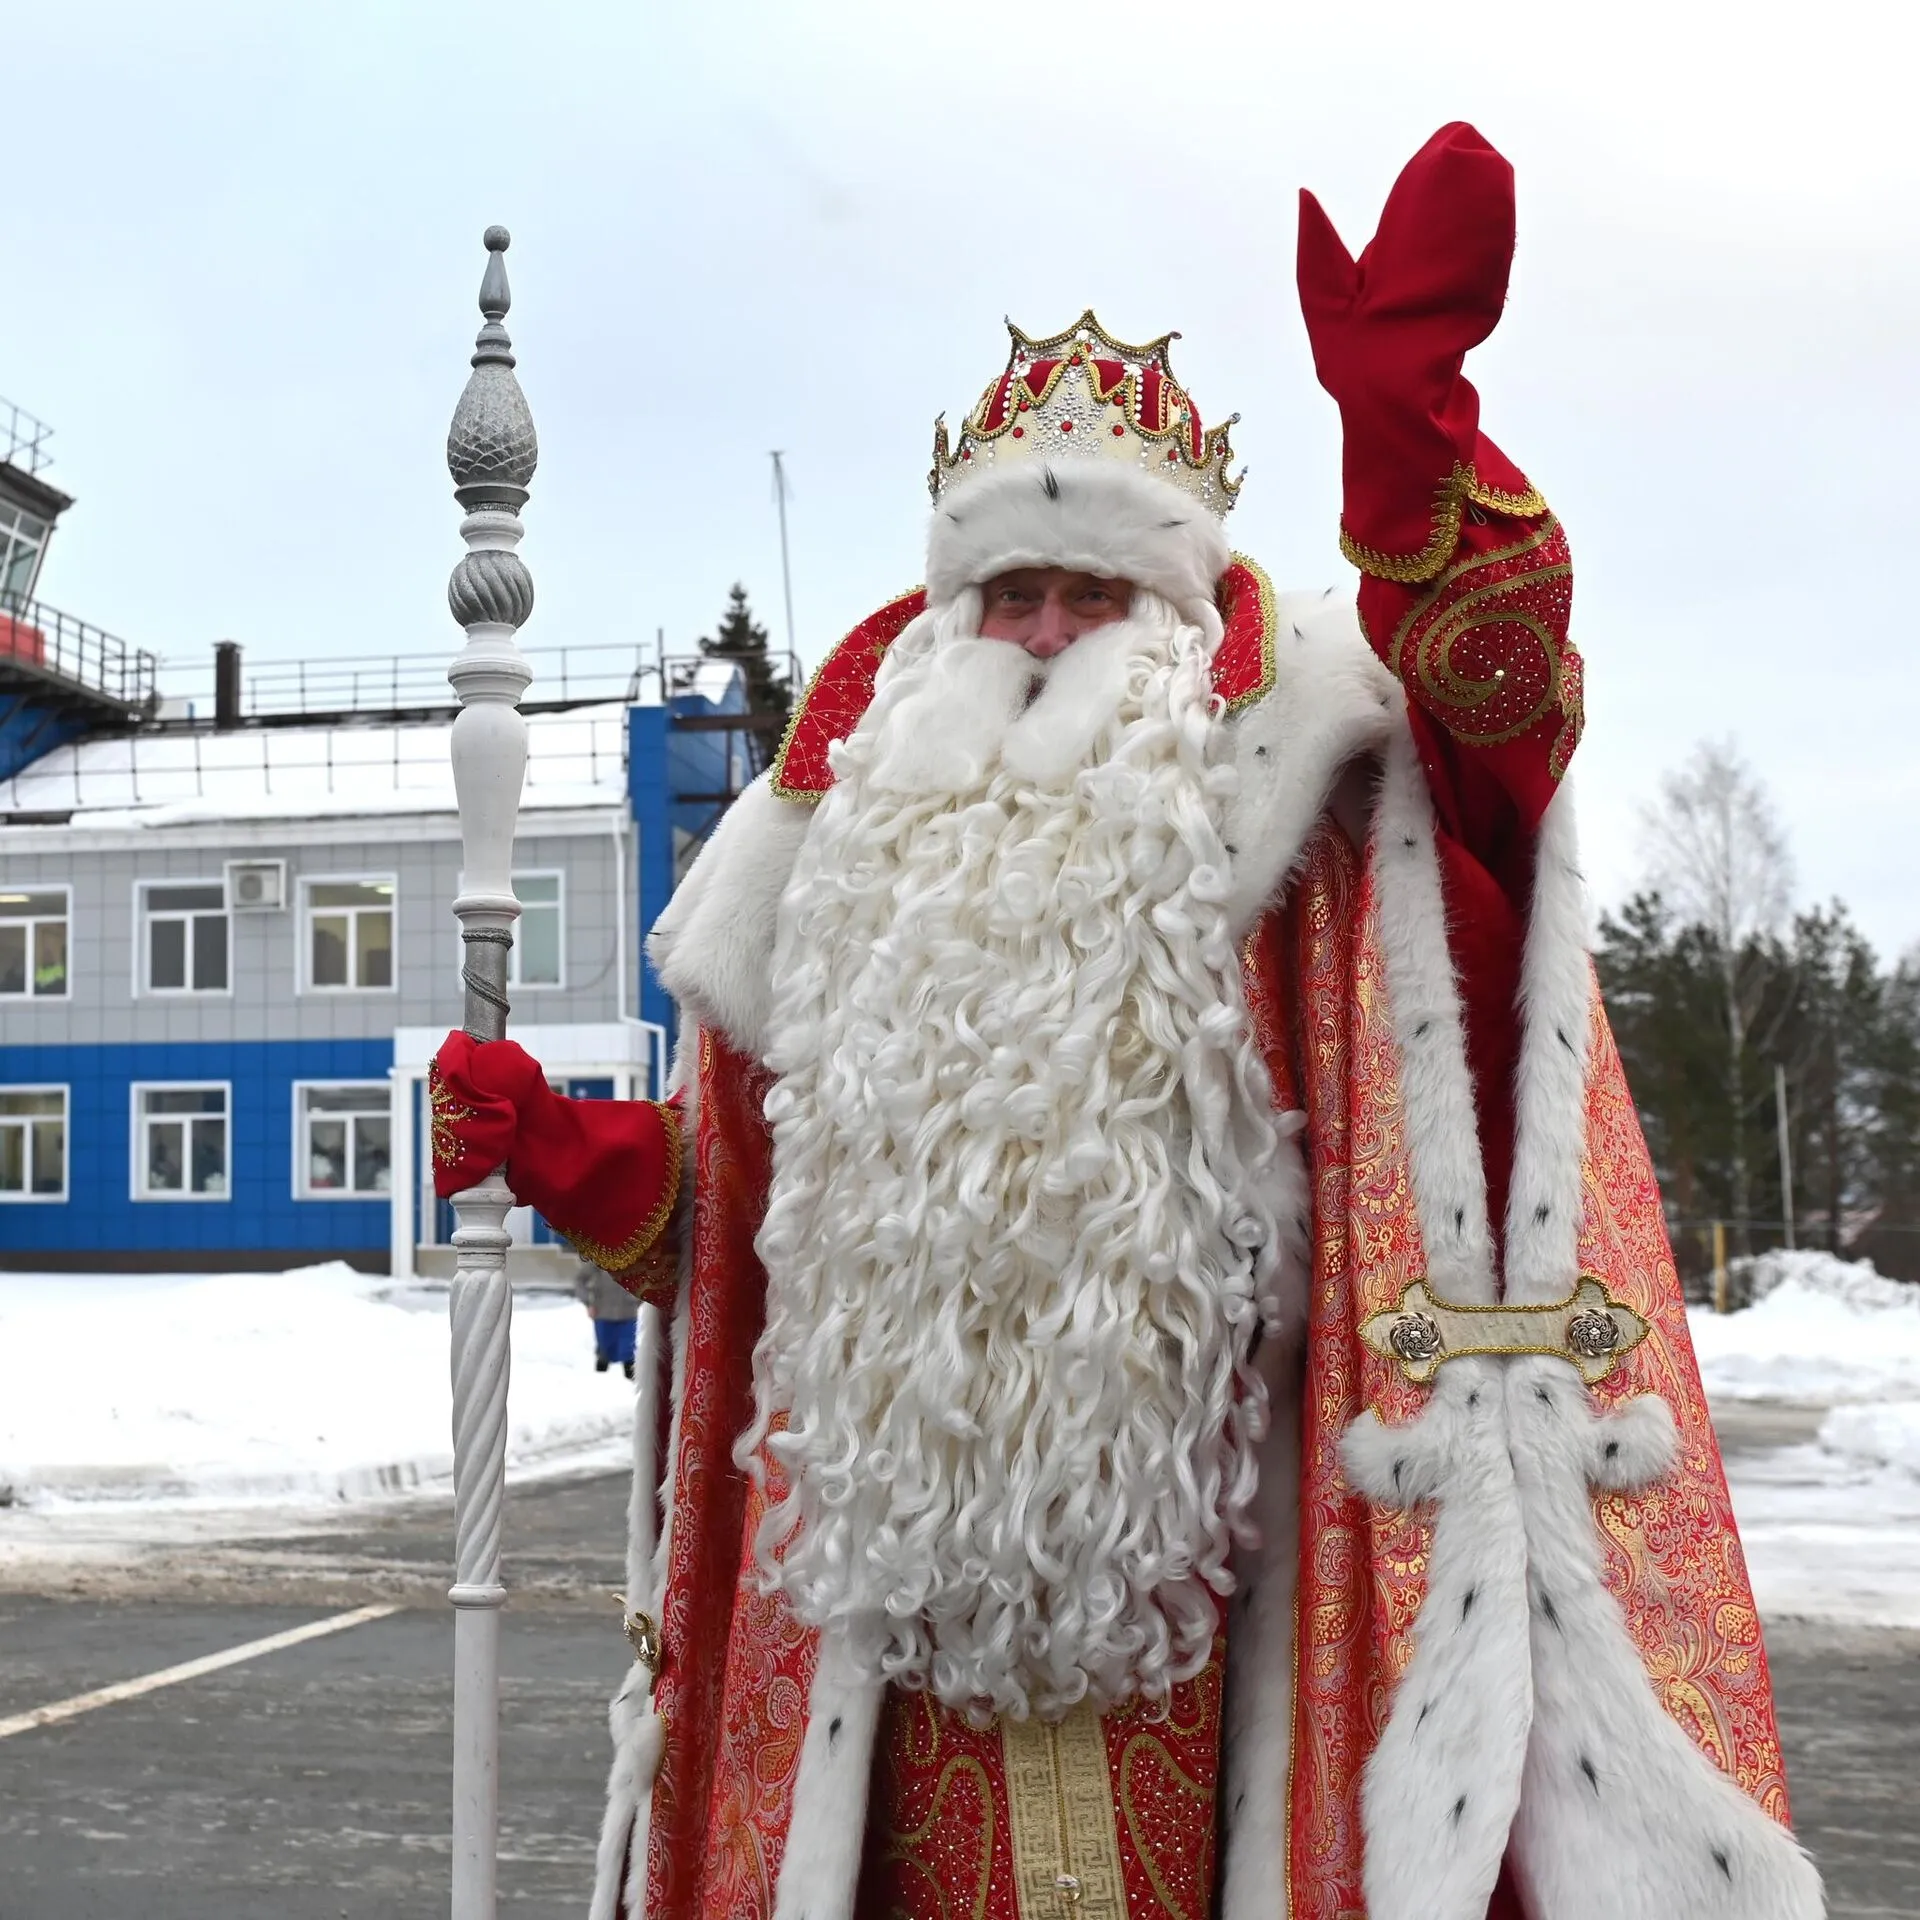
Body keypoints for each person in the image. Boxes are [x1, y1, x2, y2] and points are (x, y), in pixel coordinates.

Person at [432, 128, 1823, 1920]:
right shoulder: (854, 850)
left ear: (1173, 620)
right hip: (897, 1651)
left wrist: (1420, 482)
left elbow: (1499, 783)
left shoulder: (1296, 819)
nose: (1045, 634)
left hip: (1233, 1617)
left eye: (1094, 595)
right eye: (1010, 592)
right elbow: (743, 1233)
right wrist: (575, 1156)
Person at [574, 1254, 641, 1378]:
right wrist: (588, 1302)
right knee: (604, 1350)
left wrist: (638, 1299)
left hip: (627, 1312)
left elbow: (646, 1280)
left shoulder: (634, 1257)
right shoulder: (599, 1258)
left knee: (628, 1350)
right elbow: (580, 1280)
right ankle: (600, 1381)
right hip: (603, 1312)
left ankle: (630, 1382)